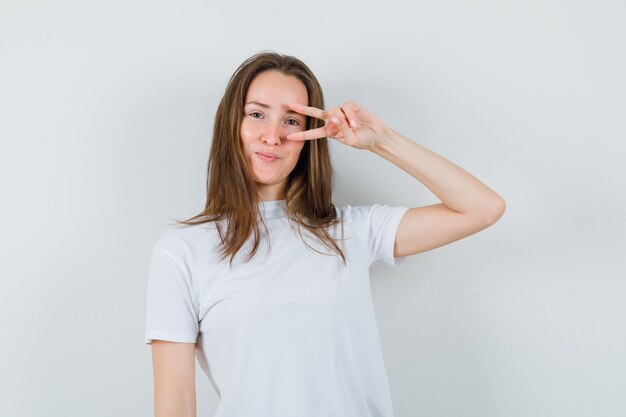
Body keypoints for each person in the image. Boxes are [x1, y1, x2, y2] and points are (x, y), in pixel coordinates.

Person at [144, 51, 505, 417]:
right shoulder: (183, 251)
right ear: (231, 124)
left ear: (309, 137)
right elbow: (176, 405)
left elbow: (482, 208)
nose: (273, 136)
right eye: (257, 114)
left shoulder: (352, 231)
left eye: (291, 120)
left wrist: (382, 140)